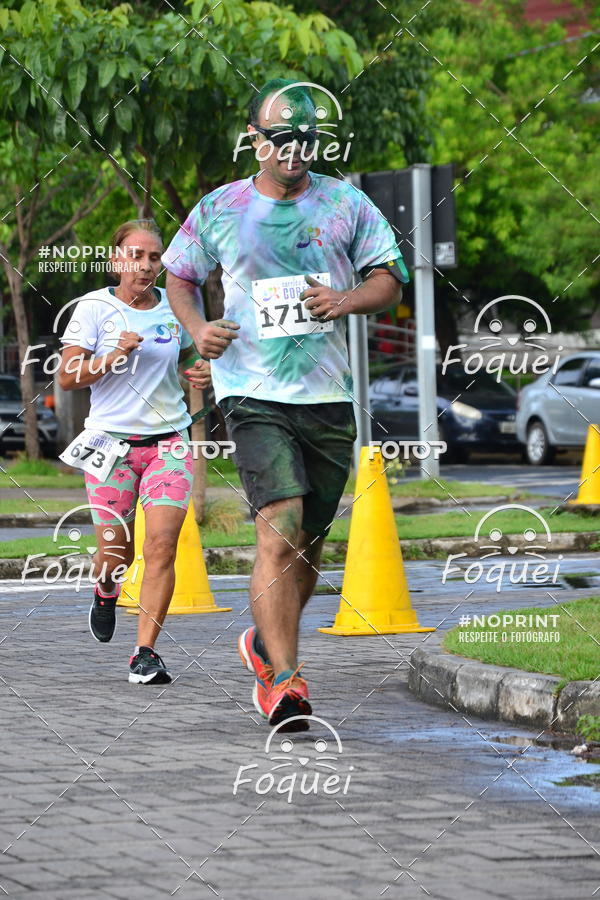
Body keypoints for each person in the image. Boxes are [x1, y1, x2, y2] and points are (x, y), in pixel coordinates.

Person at [163, 79, 409, 728]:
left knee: (309, 547)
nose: (294, 149)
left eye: (305, 138)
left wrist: (345, 300)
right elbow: (179, 277)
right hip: (250, 389)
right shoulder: (220, 207)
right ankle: (287, 684)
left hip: (328, 394)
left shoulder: (346, 205)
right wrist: (197, 330)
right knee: (279, 523)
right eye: (280, 138)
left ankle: (267, 646)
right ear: (254, 139)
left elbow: (388, 277)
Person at [59, 219, 210, 684]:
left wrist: (199, 371)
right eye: (137, 256)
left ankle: (145, 652)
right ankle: (106, 589)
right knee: (116, 554)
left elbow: (188, 357)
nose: (147, 266)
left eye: (155, 257)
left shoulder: (175, 306)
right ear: (116, 260)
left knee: (162, 545)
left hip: (168, 441)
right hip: (111, 445)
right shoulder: (94, 308)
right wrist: (111, 357)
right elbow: (67, 377)